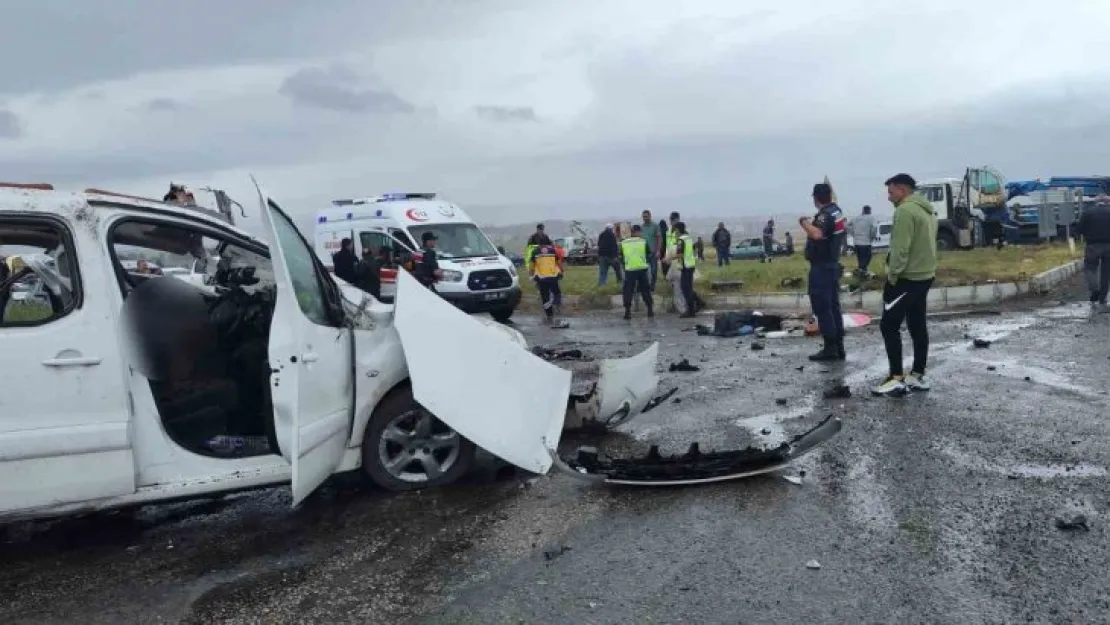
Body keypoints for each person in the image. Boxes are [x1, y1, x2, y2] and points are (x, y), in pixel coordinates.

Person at [872, 173, 939, 396]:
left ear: (902, 189)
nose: (889, 197)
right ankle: (917, 375)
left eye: (891, 192)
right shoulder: (927, 210)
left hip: (906, 278)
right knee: (917, 324)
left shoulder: (905, 211)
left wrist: (892, 276)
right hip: (925, 275)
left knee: (889, 325)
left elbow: (901, 249)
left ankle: (896, 377)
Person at [799, 183, 848, 362]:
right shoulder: (837, 211)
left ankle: (830, 348)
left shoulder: (825, 215)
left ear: (816, 198)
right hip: (832, 265)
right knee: (834, 307)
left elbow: (817, 234)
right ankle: (839, 346)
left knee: (823, 307)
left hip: (822, 267)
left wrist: (804, 222)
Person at [1077, 194, 1110, 312]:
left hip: (1092, 245)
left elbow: (1079, 229)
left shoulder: (1088, 213)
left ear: (1096, 202)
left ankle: (1094, 289)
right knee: (1106, 273)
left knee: (1090, 268)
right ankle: (1102, 299)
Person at [619, 224, 654, 319]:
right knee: (645, 290)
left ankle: (627, 311)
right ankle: (650, 309)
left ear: (632, 232)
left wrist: (625, 264)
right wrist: (644, 261)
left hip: (629, 269)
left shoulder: (624, 243)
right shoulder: (643, 242)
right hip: (642, 269)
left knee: (628, 290)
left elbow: (621, 256)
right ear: (639, 232)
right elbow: (649, 254)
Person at [530, 240, 564, 325]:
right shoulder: (552, 250)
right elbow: (558, 262)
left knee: (545, 296)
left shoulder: (535, 252)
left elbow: (531, 266)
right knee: (557, 292)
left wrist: (531, 276)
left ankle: (549, 314)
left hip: (541, 278)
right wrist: (562, 270)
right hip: (553, 276)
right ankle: (557, 305)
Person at [672, 221, 699, 318]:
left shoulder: (681, 240)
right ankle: (694, 307)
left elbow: (680, 253)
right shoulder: (688, 238)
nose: (674, 232)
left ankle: (691, 310)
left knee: (685, 288)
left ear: (678, 230)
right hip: (690, 265)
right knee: (689, 288)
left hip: (686, 266)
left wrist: (669, 258)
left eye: (675, 230)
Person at [850, 205, 878, 276]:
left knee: (860, 259)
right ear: (869, 211)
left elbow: (847, 225)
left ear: (863, 210)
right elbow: (874, 228)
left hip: (856, 242)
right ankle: (862, 272)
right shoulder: (871, 218)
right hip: (866, 242)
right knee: (867, 258)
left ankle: (861, 271)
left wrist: (853, 234)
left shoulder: (856, 218)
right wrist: (872, 237)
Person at [639, 210, 661, 290]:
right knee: (645, 271)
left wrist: (658, 250)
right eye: (643, 216)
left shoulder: (655, 226)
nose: (645, 218)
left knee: (654, 270)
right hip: (644, 253)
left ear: (650, 216)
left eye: (646, 216)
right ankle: (646, 286)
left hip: (653, 252)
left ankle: (652, 285)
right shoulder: (642, 227)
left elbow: (659, 238)